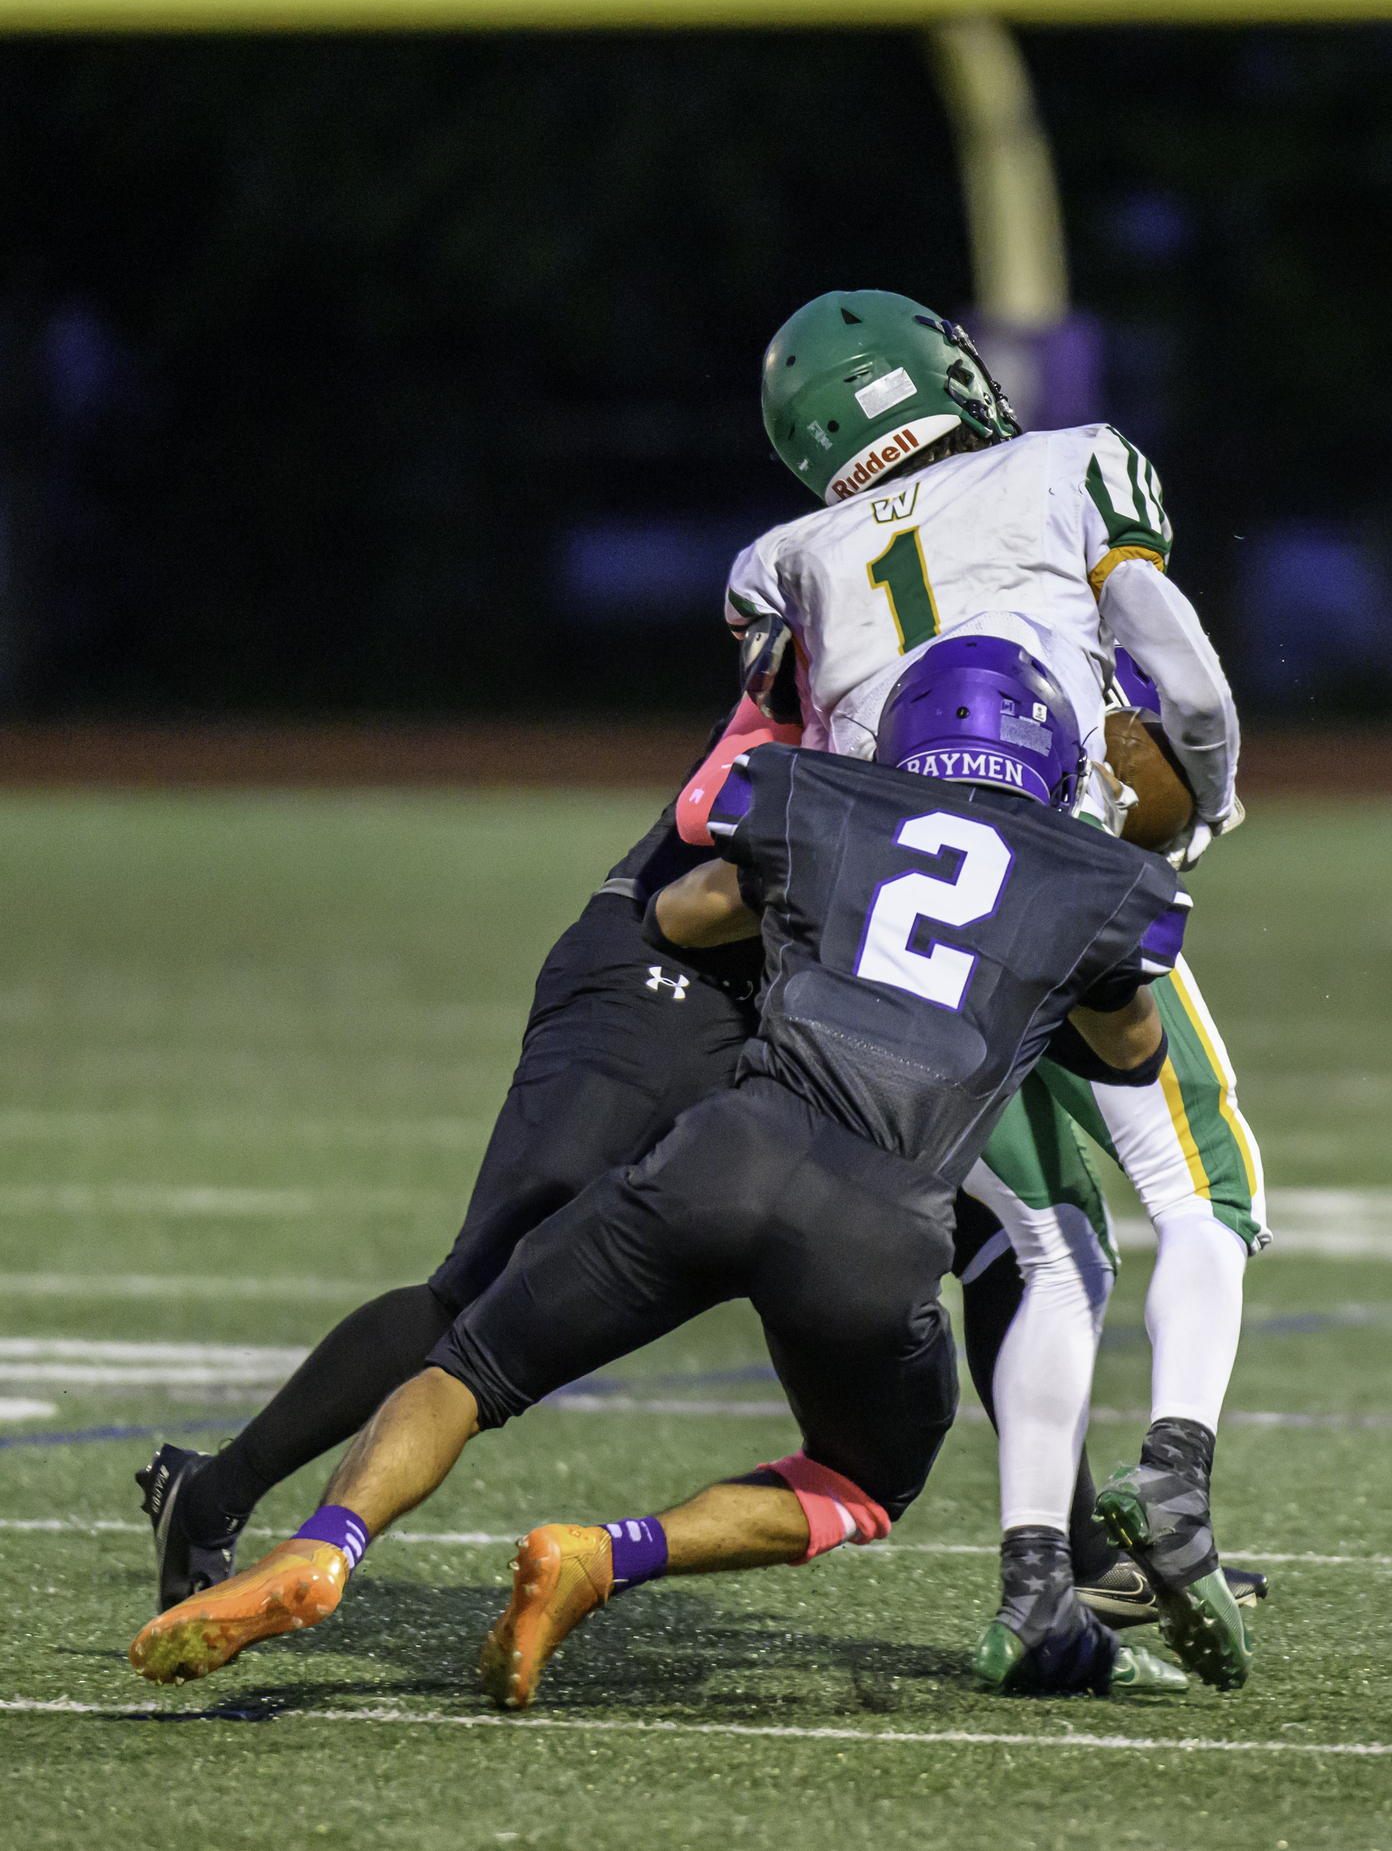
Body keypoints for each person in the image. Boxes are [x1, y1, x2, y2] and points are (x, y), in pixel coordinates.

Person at [129, 633, 1192, 1702]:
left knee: (469, 1364)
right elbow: (1135, 1051)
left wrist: (813, 919)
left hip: (722, 1153)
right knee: (863, 1479)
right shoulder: (1098, 883)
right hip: (877, 1225)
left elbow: (680, 914)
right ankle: (609, 1555)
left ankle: (324, 1545)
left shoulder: (816, 793)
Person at [713, 289, 1266, 1687]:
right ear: (939, 374)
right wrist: (1197, 807)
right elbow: (1185, 682)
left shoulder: (777, 559)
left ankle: (1036, 1578)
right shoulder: (1071, 461)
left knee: (1048, 1247)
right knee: (1206, 1189)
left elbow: (782, 762)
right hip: (1059, 874)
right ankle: (1180, 1471)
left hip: (891, 938)